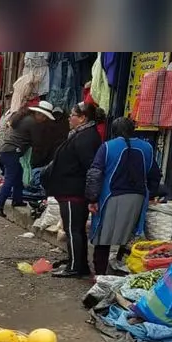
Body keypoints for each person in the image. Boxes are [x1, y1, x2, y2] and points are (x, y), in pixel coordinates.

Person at [86, 117, 161, 277]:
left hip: (110, 198)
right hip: (137, 200)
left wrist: (92, 198)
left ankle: (100, 276)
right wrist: (152, 194)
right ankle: (123, 269)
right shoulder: (147, 148)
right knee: (129, 236)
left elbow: (95, 174)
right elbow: (154, 174)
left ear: (113, 131)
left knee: (103, 238)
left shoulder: (107, 147)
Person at [41, 102, 105, 278]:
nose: (69, 118)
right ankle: (77, 263)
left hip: (74, 192)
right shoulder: (81, 134)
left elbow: (89, 168)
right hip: (69, 190)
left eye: (73, 115)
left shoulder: (86, 137)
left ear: (83, 118)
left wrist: (91, 196)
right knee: (74, 229)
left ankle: (76, 267)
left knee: (73, 229)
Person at [0, 100, 55, 217]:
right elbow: (37, 142)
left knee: (18, 174)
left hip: (7, 151)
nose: (44, 120)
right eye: (44, 117)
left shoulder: (24, 118)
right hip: (12, 152)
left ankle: (17, 199)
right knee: (10, 179)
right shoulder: (32, 123)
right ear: (39, 114)